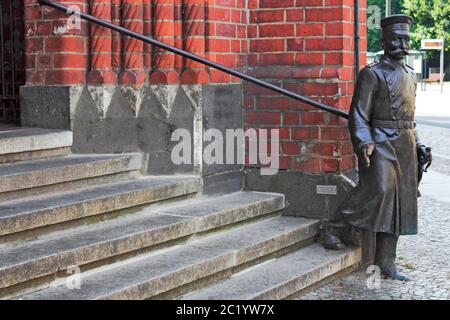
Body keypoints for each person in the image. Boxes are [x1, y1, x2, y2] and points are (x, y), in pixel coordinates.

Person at [319, 14, 431, 281]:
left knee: (400, 202)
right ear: (384, 41)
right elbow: (358, 114)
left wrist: (420, 145)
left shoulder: (410, 75)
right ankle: (334, 228)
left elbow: (410, 118)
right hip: (380, 141)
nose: (401, 44)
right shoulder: (372, 73)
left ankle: (386, 262)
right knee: (378, 190)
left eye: (405, 39)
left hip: (404, 145)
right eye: (396, 39)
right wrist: (365, 141)